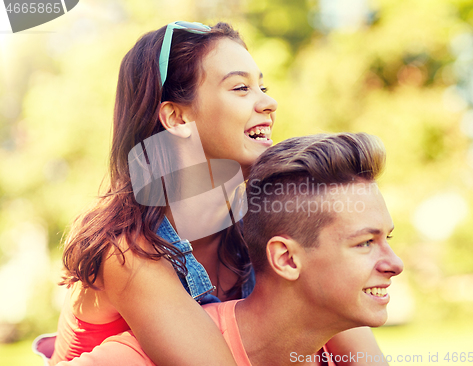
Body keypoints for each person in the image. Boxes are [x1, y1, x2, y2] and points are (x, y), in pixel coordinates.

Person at [48, 19, 391, 366]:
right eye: (241, 88)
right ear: (177, 118)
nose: (269, 103)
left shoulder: (265, 218)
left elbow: (358, 348)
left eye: (262, 87)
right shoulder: (126, 249)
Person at [54, 132, 403, 366]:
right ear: (285, 258)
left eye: (387, 239)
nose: (395, 264)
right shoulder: (138, 354)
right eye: (365, 243)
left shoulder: (339, 348)